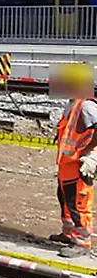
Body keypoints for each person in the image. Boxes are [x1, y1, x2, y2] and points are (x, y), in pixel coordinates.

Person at [51, 97, 97, 258]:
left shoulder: (86, 107)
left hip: (78, 165)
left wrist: (89, 152)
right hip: (67, 164)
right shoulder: (72, 104)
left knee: (78, 205)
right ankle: (69, 234)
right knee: (65, 200)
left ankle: (82, 242)